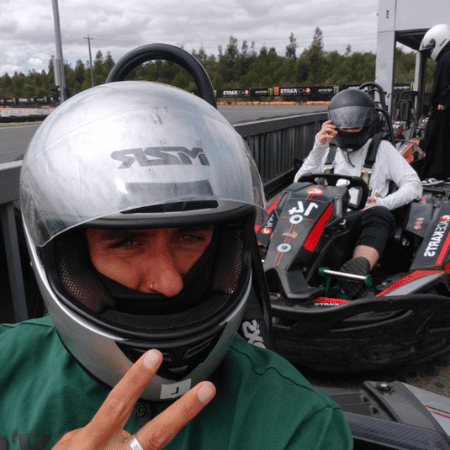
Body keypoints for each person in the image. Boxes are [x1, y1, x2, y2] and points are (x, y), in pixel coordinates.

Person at [0, 81, 352, 449]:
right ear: (65, 258)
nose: (170, 283)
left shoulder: (299, 423)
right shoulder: (6, 366)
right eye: (127, 242)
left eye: (190, 238)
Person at [294, 89, 423, 296]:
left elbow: (414, 185)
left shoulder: (383, 149)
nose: (351, 129)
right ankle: (281, 269)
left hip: (364, 217)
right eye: (345, 122)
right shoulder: (327, 149)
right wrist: (319, 147)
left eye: (356, 123)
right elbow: (299, 184)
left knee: (379, 215)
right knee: (292, 208)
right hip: (327, 220)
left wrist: (383, 203)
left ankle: (356, 269)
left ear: (368, 121)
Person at [419, 24, 450, 185]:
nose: (431, 51)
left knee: (436, 140)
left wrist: (442, 103)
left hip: (443, 110)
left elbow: (443, 84)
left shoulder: (445, 60)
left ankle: (436, 175)